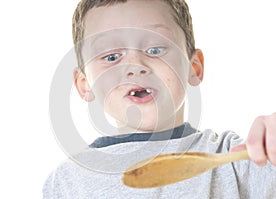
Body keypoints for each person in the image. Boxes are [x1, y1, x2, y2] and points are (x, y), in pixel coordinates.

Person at [43, 0, 276, 198]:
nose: (135, 66)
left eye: (155, 49)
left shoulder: (234, 158)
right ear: (84, 84)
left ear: (194, 68)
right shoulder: (65, 182)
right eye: (112, 56)